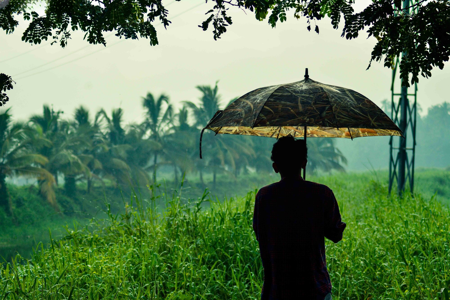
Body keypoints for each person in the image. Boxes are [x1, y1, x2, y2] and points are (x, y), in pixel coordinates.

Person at [253, 136, 346, 300]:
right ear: (304, 163)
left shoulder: (264, 197)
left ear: (275, 167)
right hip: (315, 288)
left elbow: (260, 235)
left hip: (277, 290)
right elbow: (335, 235)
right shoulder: (322, 194)